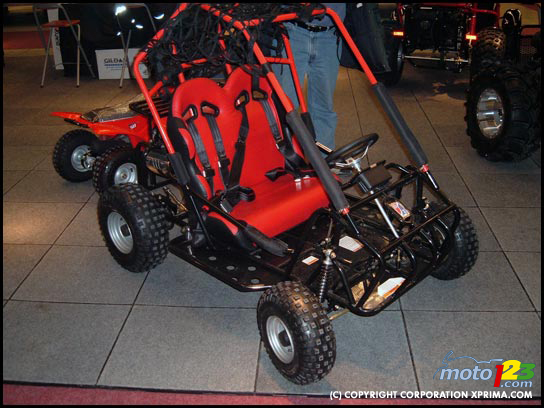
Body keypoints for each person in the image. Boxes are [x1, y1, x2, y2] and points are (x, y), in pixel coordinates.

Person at [273, 3, 346, 151]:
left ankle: (323, 159)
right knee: (285, 106)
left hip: (330, 35)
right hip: (291, 31)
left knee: (323, 107)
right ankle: (284, 158)